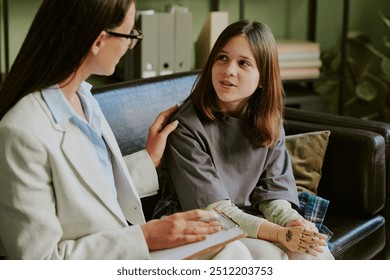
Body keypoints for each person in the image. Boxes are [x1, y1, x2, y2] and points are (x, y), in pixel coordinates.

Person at [0, 0, 253, 260]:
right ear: (99, 41)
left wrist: (149, 159)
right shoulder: (21, 133)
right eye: (130, 35)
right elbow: (38, 263)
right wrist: (145, 237)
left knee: (232, 249)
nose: (131, 46)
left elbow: (94, 188)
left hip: (124, 246)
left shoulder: (83, 99)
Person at [153, 20, 334, 260]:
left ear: (262, 78)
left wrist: (293, 223)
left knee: (313, 254)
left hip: (252, 215)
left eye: (244, 63)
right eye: (222, 58)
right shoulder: (185, 126)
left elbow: (272, 194)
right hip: (199, 221)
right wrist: (279, 234)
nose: (229, 70)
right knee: (272, 256)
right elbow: (214, 210)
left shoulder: (270, 121)